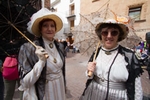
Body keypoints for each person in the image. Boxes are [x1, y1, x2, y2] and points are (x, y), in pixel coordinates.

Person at [80, 18, 143, 100]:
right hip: (94, 94)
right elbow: (89, 77)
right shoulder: (96, 52)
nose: (109, 36)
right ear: (101, 35)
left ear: (119, 35)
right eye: (105, 32)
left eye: (114, 32)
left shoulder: (129, 56)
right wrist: (89, 71)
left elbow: (137, 87)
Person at [18, 8, 66, 100]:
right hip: (44, 92)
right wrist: (40, 62)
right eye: (45, 25)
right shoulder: (29, 48)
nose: (49, 29)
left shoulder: (60, 46)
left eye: (52, 26)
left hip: (60, 89)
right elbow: (25, 83)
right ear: (40, 29)